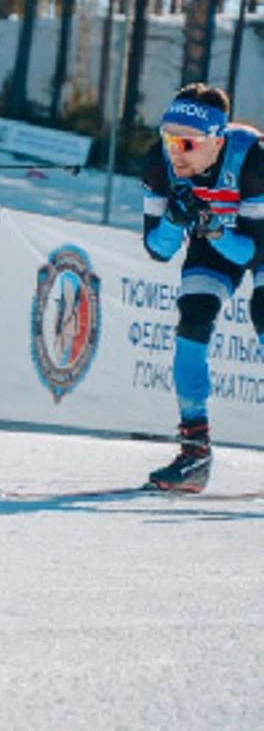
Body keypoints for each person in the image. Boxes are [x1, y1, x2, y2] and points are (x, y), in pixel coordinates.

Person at [137, 83, 264, 492]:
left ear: (216, 141)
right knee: (192, 320)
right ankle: (195, 452)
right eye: (169, 139)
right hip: (217, 240)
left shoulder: (252, 159)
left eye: (187, 143)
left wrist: (212, 227)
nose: (175, 151)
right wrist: (175, 221)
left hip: (255, 240)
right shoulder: (159, 163)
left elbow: (252, 251)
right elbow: (158, 249)